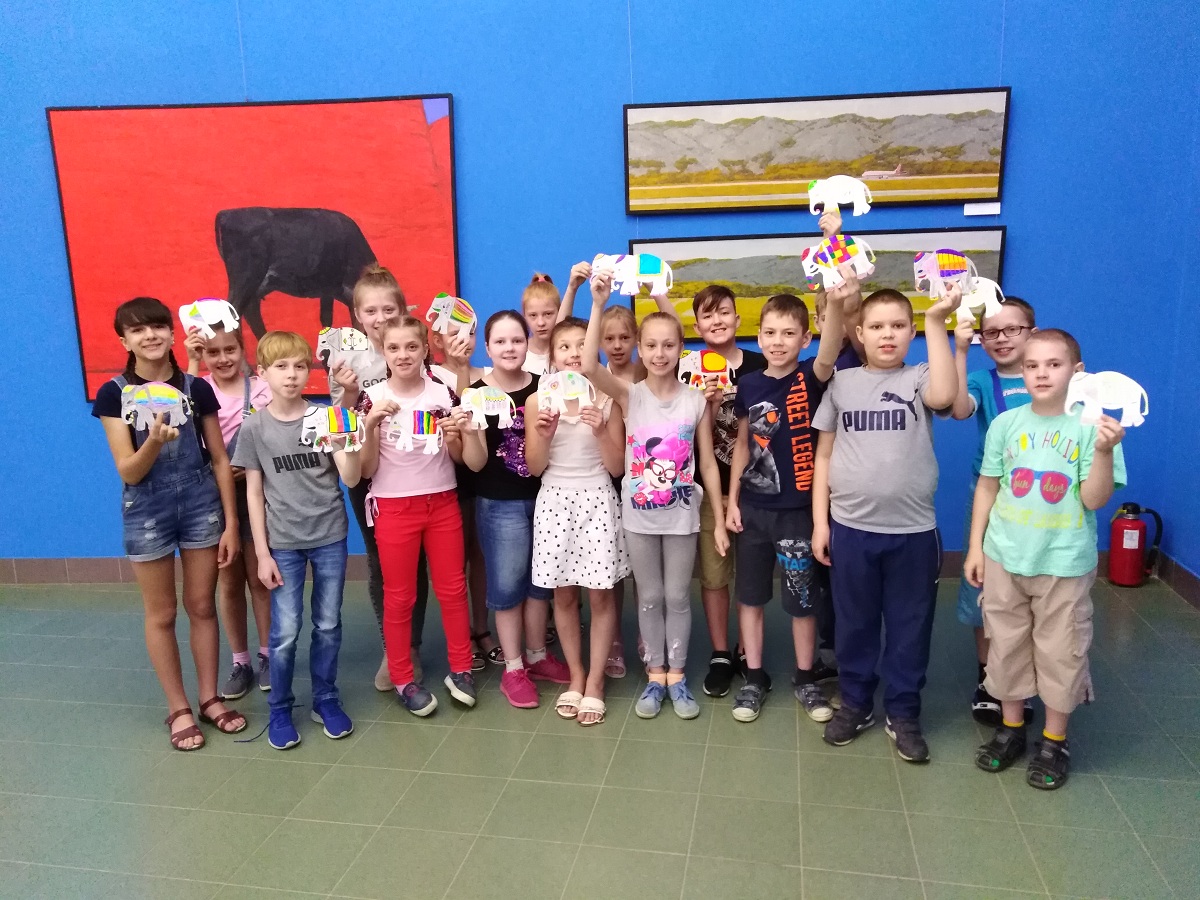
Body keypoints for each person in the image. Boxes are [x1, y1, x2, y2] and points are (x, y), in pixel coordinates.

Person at [965, 329, 1125, 790]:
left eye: (1054, 364)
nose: (1041, 373)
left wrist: (1103, 451)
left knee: (1061, 651)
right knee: (1006, 645)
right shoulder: (1006, 424)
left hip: (1063, 563)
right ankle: (1011, 728)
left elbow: (1094, 500)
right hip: (1004, 556)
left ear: (1077, 371)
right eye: (1032, 365)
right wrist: (976, 546)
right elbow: (988, 486)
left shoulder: (1093, 428)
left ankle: (1055, 740)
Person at [812, 287, 959, 762]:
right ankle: (856, 703)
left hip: (913, 533)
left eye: (898, 325)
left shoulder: (921, 377)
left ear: (911, 332)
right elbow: (824, 456)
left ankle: (903, 711)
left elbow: (946, 395)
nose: (887, 334)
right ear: (859, 332)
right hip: (850, 529)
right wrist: (820, 524)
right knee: (854, 625)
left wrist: (937, 320)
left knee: (908, 627)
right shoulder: (842, 383)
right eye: (876, 326)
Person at [93, 297, 245, 751]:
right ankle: (179, 708)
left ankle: (209, 698)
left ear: (173, 333)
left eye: (158, 326)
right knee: (161, 613)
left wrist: (231, 523)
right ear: (124, 341)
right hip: (147, 509)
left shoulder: (196, 388)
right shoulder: (115, 394)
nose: (150, 336)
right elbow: (129, 470)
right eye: (138, 330)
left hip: (201, 504)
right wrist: (154, 442)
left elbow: (220, 459)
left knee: (202, 606)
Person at [585, 272, 728, 720]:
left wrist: (719, 521)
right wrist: (597, 304)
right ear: (641, 350)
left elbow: (708, 463)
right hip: (639, 518)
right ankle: (655, 674)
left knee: (677, 597)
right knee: (648, 597)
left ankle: (677, 675)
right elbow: (588, 366)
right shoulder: (629, 394)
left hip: (683, 518)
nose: (660, 353)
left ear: (680, 348)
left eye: (669, 345)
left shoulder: (696, 400)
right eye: (651, 345)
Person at [233, 331, 362, 750]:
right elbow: (254, 492)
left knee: (328, 624)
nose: (291, 375)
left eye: (300, 366)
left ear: (310, 371)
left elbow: (351, 478)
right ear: (262, 373)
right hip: (283, 543)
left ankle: (325, 698)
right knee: (285, 631)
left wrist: (347, 440)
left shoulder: (326, 417)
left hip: (329, 536)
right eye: (281, 366)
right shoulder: (254, 426)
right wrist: (262, 553)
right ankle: (280, 708)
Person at [725, 285, 845, 724]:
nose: (778, 341)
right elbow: (742, 444)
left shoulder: (812, 377)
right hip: (753, 511)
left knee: (802, 601)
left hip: (798, 513)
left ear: (805, 339)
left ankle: (805, 677)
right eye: (770, 333)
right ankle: (755, 677)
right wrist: (733, 500)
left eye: (789, 333)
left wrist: (836, 301)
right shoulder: (748, 383)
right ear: (759, 337)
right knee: (750, 598)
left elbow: (831, 347)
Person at [359, 317, 478, 715]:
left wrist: (455, 437)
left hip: (442, 503)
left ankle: (462, 668)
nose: (403, 355)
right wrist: (371, 426)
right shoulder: (371, 397)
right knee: (399, 596)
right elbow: (365, 469)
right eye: (394, 348)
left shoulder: (443, 392)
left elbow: (460, 458)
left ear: (426, 349)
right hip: (394, 507)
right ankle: (402, 678)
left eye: (412, 346)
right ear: (383, 352)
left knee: (453, 589)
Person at [461, 311, 570, 709]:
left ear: (528, 345)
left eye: (517, 340)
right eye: (501, 342)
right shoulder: (474, 394)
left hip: (546, 500)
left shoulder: (545, 388)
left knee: (541, 586)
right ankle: (513, 668)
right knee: (507, 589)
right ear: (487, 348)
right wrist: (471, 433)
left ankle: (538, 657)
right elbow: (474, 464)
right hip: (498, 504)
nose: (510, 348)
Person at [328, 264, 428, 692]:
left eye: (389, 309)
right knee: (380, 562)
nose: (380, 317)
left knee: (414, 562)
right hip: (369, 474)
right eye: (370, 311)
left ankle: (412, 647)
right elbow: (338, 424)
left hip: (414, 469)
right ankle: (393, 648)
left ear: (402, 310)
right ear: (357, 315)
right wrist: (350, 394)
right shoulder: (345, 359)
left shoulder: (412, 348)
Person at [527, 318, 628, 725]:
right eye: (564, 346)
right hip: (554, 501)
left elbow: (617, 466)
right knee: (563, 596)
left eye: (580, 345)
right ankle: (576, 675)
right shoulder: (538, 401)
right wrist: (545, 434)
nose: (573, 353)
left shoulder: (607, 397)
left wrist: (601, 430)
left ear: (593, 352)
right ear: (552, 356)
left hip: (597, 499)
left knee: (601, 596)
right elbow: (535, 467)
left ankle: (596, 682)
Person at [949, 296, 1038, 724]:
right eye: (991, 332)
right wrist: (959, 351)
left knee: (1032, 591)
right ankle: (987, 679)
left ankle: (1021, 679)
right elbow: (958, 409)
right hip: (991, 497)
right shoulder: (982, 382)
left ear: (1032, 333)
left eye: (1012, 329)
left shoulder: (1054, 379)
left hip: (1044, 505)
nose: (1001, 339)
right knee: (982, 588)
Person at [184, 320, 274, 699]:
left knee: (259, 579)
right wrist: (190, 362)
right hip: (211, 497)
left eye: (230, 349)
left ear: (242, 350)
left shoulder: (263, 390)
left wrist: (255, 465)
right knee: (230, 582)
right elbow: (181, 421)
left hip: (255, 496)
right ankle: (241, 661)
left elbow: (278, 438)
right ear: (202, 355)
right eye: (212, 352)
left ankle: (269, 655)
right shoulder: (196, 390)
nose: (222, 358)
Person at [598, 304, 645, 677]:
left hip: (644, 479)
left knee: (642, 567)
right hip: (605, 478)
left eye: (624, 337)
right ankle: (613, 639)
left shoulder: (644, 373)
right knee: (610, 566)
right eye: (609, 338)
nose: (617, 345)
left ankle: (646, 633)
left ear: (636, 340)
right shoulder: (594, 378)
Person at [521, 263, 591, 376]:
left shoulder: (567, 352)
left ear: (559, 312)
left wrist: (572, 287)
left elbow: (561, 325)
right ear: (524, 316)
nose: (541, 323)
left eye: (548, 314)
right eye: (533, 315)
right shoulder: (519, 351)